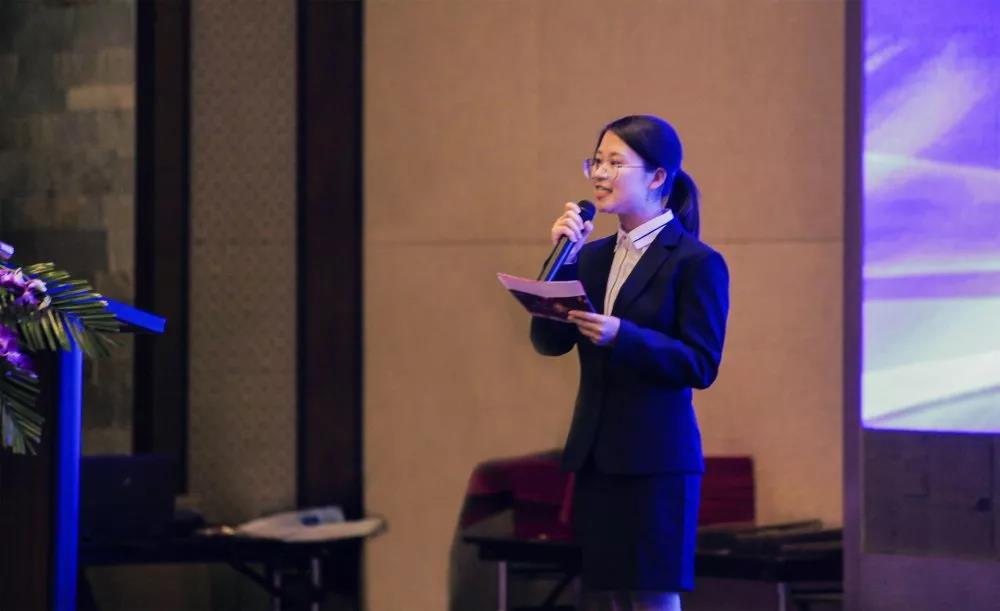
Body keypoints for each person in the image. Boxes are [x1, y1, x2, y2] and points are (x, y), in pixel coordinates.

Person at [529, 115, 729, 611]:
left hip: (656, 461)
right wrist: (562, 257)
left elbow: (701, 364)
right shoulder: (591, 257)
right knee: (615, 598)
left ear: (657, 177)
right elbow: (548, 341)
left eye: (615, 163)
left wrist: (625, 336)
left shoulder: (695, 261)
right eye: (596, 161)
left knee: (653, 598)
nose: (599, 173)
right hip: (597, 455)